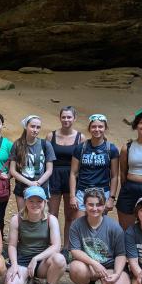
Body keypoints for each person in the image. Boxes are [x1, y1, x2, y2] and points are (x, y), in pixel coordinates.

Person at [4, 187, 65, 284]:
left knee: (60, 259)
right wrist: (14, 264)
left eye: (39, 201)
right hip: (22, 261)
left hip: (42, 262)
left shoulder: (51, 220)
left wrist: (36, 258)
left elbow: (56, 246)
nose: (35, 204)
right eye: (31, 201)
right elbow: (12, 245)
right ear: (25, 202)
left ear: (45, 202)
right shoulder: (17, 219)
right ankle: (28, 278)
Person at [68, 188, 130, 284]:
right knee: (76, 268)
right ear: (84, 205)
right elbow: (75, 250)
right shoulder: (77, 225)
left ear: (104, 205)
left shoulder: (114, 227)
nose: (95, 208)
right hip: (89, 266)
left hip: (110, 267)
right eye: (90, 204)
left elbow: (121, 254)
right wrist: (94, 263)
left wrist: (116, 274)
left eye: (99, 205)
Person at [46, 106, 84, 251]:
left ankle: (67, 248)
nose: (66, 120)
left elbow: (81, 161)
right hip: (54, 175)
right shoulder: (51, 136)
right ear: (60, 117)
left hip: (71, 177)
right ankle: (52, 246)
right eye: (64, 117)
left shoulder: (80, 137)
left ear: (74, 118)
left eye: (69, 117)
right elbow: (46, 159)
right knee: (52, 214)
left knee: (70, 215)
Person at [69, 113, 119, 220]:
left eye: (100, 126)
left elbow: (114, 176)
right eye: (94, 126)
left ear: (105, 128)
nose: (97, 129)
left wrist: (111, 198)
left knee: (97, 227)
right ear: (89, 128)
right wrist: (72, 196)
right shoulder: (80, 148)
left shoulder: (111, 149)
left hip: (102, 192)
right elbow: (73, 173)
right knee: (79, 225)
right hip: (83, 191)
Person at [9, 115, 56, 212]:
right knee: (23, 217)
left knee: (41, 218)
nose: (35, 130)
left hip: (41, 187)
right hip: (22, 187)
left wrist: (37, 183)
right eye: (32, 126)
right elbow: (13, 171)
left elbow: (49, 170)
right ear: (26, 126)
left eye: (38, 127)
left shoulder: (45, 144)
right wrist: (30, 183)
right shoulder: (17, 145)